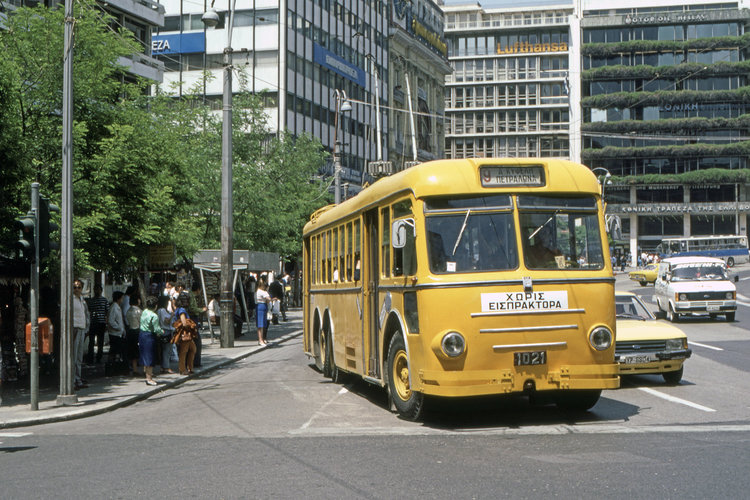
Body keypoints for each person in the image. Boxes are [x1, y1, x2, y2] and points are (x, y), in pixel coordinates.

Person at [138, 296, 162, 385]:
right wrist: (162, 331)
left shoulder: (144, 312)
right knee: (150, 357)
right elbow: (156, 329)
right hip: (149, 336)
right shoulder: (154, 316)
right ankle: (149, 378)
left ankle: (147, 375)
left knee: (145, 355)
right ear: (156, 306)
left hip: (142, 334)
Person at [172, 294, 197, 375]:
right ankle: (183, 369)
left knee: (192, 349)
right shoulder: (182, 310)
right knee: (184, 352)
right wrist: (191, 326)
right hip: (185, 333)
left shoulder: (178, 309)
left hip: (185, 334)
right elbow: (184, 322)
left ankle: (190, 368)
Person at [72, 279, 90, 390]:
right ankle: (72, 380)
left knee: (79, 357)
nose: (77, 289)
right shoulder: (71, 299)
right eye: (75, 287)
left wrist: (87, 327)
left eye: (79, 287)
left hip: (82, 328)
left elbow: (86, 314)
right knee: (73, 356)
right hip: (74, 328)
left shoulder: (82, 300)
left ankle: (78, 379)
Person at [86, 283, 109, 364]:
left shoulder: (104, 300)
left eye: (98, 289)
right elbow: (88, 311)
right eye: (95, 289)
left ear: (101, 291)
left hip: (101, 323)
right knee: (91, 342)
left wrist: (106, 323)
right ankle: (90, 357)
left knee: (100, 342)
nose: (97, 291)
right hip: (93, 323)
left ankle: (99, 357)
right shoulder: (91, 300)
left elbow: (107, 312)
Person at [157, 295, 175, 374]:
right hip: (166, 330)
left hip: (164, 331)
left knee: (165, 349)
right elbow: (166, 321)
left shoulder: (160, 310)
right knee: (167, 350)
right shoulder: (162, 310)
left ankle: (163, 366)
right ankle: (166, 367)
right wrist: (172, 315)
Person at [107, 291, 126, 365]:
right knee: (114, 351)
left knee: (117, 351)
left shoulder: (117, 307)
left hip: (118, 333)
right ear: (118, 299)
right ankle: (111, 365)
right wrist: (119, 328)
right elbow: (111, 321)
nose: (122, 300)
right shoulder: (114, 307)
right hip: (114, 333)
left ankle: (116, 365)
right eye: (122, 298)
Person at [125, 295, 143, 376]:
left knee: (133, 351)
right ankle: (143, 369)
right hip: (137, 331)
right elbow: (141, 321)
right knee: (139, 350)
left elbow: (127, 321)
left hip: (130, 331)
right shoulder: (139, 311)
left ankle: (134, 369)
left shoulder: (128, 311)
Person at [255, 279, 271, 345]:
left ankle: (261, 339)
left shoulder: (257, 292)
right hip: (262, 306)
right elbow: (269, 299)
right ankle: (261, 340)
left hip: (260, 306)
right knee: (261, 325)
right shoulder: (262, 292)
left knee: (261, 324)